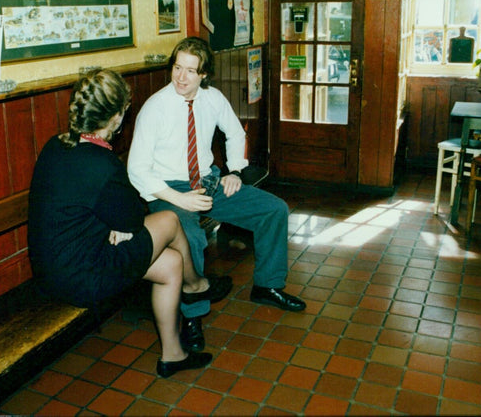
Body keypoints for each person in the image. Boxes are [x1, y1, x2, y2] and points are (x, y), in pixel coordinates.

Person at [28, 68, 217, 378]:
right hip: (82, 275)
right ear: (116, 118)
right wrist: (122, 223)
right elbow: (132, 217)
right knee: (169, 219)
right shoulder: (101, 162)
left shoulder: (56, 146)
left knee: (170, 263)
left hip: (53, 269)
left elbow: (110, 214)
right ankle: (195, 285)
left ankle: (173, 355)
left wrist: (121, 223)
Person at [128, 37, 306, 353]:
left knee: (274, 209)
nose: (181, 78)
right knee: (192, 236)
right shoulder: (155, 108)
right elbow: (137, 170)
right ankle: (193, 318)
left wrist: (234, 172)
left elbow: (235, 134)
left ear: (204, 75)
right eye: (177, 68)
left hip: (208, 182)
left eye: (190, 71)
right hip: (167, 188)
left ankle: (268, 285)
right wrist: (179, 198)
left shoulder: (212, 98)